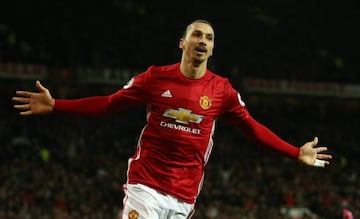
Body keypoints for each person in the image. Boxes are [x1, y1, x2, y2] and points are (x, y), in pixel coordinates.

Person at [13, 19, 332, 219]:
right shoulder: (155, 78)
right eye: (197, 34)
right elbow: (109, 104)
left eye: (209, 37)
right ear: (183, 42)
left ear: (212, 48)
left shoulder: (221, 90)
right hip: (146, 185)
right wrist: (58, 105)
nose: (203, 40)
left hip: (185, 196)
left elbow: (251, 128)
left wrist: (295, 152)